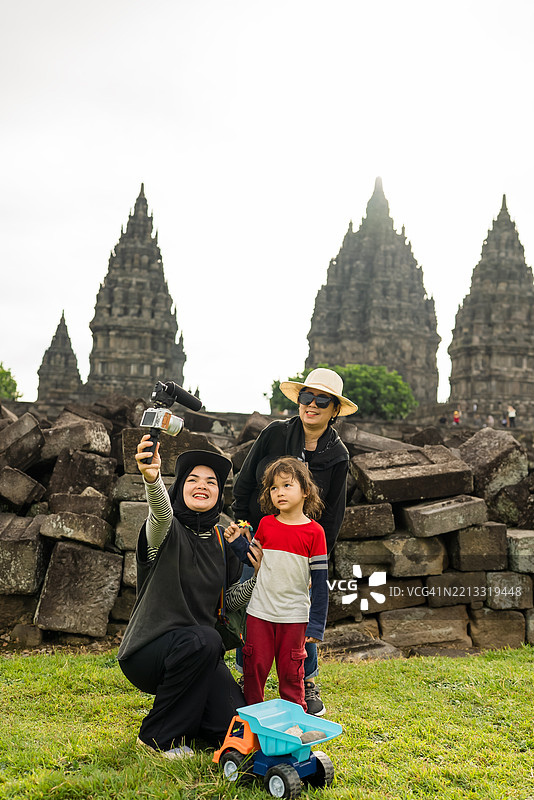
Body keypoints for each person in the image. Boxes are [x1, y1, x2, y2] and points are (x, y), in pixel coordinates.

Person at [118, 435, 262, 758]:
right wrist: (153, 479)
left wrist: (262, 577)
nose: (202, 485)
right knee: (205, 640)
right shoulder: (166, 531)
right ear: (179, 487)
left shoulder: (222, 543)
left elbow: (227, 602)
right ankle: (156, 739)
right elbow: (159, 513)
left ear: (218, 494)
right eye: (192, 479)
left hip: (198, 652)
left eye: (211, 482)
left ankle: (188, 722)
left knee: (236, 727)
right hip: (149, 651)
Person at [232, 367, 358, 715]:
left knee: (300, 613)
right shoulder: (274, 435)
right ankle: (246, 677)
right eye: (306, 397)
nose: (311, 405)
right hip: (261, 541)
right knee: (251, 607)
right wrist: (243, 526)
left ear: (334, 410)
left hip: (302, 546)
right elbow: (243, 485)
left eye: (322, 400)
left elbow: (332, 515)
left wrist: (315, 556)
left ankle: (307, 679)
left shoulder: (338, 455)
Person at [225, 456, 328, 710]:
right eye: (273, 488)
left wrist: (316, 625)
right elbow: (253, 558)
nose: (279, 492)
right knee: (254, 668)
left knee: (291, 673)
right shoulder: (266, 524)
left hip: (294, 617)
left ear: (305, 491)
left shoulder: (315, 532)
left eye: (286, 485)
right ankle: (250, 722)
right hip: (259, 612)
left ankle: (294, 722)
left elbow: (321, 582)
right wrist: (237, 542)